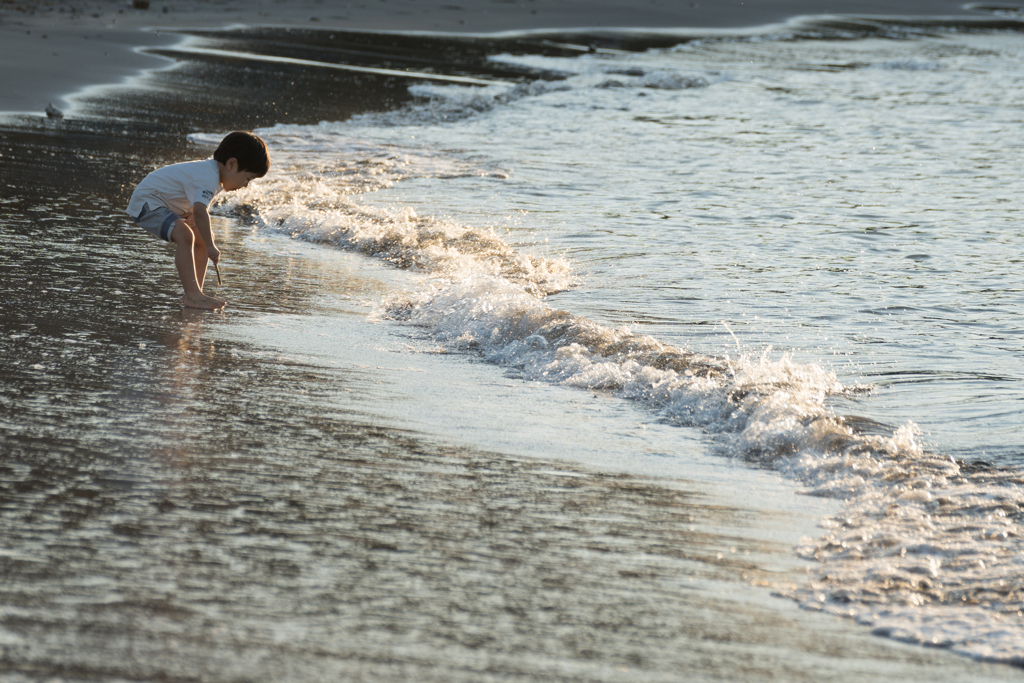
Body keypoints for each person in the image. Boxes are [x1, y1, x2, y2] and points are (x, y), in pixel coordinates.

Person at [126, 130, 270, 309]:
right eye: (247, 178)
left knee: (201, 236)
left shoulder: (213, 174)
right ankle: (193, 295)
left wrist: (205, 236)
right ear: (232, 164)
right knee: (185, 234)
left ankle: (195, 293)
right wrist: (211, 247)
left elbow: (196, 204)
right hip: (147, 203)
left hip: (161, 203)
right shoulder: (208, 176)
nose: (246, 185)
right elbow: (201, 211)